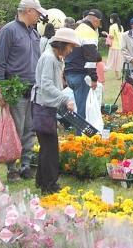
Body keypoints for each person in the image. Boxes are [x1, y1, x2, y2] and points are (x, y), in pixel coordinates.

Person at [0, 0, 46, 182]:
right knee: (15, 130)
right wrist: (0, 89)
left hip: (33, 88)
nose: (39, 16)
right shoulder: (9, 31)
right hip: (15, 88)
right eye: (37, 12)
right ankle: (12, 169)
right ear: (28, 11)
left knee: (30, 130)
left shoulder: (34, 32)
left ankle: (26, 166)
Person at [31, 28, 79, 195]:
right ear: (63, 44)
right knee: (50, 148)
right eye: (70, 47)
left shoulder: (54, 57)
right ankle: (50, 185)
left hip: (45, 105)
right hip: (43, 107)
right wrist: (65, 99)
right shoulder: (49, 58)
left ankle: (42, 181)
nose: (71, 50)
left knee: (46, 147)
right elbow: (46, 85)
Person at [64, 9, 101, 121]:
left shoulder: (77, 29)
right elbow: (90, 58)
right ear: (95, 20)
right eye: (99, 22)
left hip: (69, 72)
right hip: (80, 74)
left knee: (75, 107)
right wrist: (94, 78)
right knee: (82, 110)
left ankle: (73, 130)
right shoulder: (89, 31)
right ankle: (80, 136)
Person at [106, 13, 124, 80]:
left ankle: (117, 75)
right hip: (120, 46)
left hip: (114, 46)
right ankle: (120, 75)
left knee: (114, 61)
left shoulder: (112, 26)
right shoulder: (121, 26)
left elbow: (111, 36)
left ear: (113, 19)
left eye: (111, 18)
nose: (110, 19)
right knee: (119, 61)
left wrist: (106, 34)